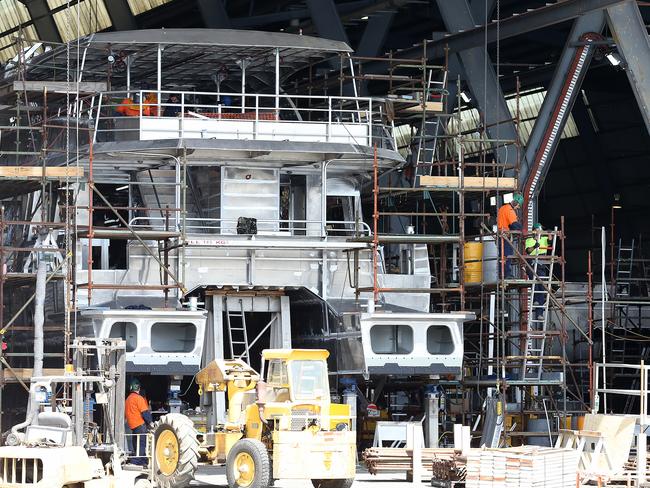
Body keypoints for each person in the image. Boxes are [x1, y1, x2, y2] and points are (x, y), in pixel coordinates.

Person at [525, 222, 551, 320]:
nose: (541, 231)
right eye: (540, 229)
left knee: (541, 287)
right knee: (535, 283)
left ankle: (539, 313)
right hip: (531, 264)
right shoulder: (529, 239)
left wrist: (549, 233)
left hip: (541, 264)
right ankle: (536, 299)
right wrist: (535, 246)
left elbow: (550, 242)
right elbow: (528, 251)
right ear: (535, 230)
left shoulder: (543, 239)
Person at [125, 378, 153, 466]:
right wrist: (150, 423)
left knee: (135, 444)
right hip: (140, 425)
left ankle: (143, 461)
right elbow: (145, 412)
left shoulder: (128, 399)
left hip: (132, 426)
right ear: (139, 388)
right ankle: (136, 462)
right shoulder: (139, 398)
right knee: (141, 445)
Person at [497, 193, 524, 278]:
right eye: (518, 206)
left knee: (502, 255)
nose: (517, 208)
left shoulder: (502, 208)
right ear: (516, 203)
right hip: (505, 236)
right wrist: (523, 230)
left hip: (501, 234)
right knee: (507, 254)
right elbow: (514, 224)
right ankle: (506, 274)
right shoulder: (509, 210)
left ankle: (502, 273)